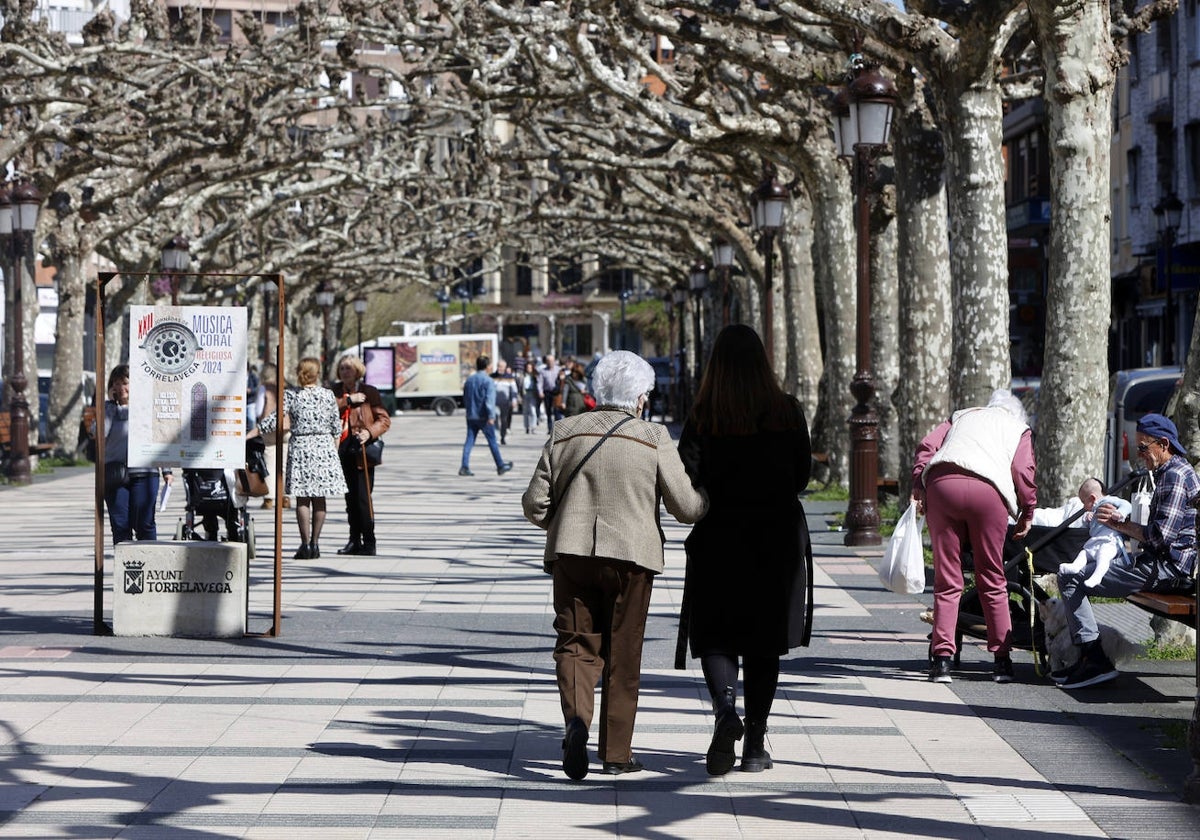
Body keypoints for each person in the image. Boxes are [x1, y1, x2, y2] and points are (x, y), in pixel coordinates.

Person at [522, 350, 708, 780]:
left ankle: (576, 723)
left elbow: (534, 503)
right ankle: (617, 753)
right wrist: (709, 499)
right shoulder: (654, 437)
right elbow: (686, 507)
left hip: (572, 554)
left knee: (574, 644)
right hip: (632, 558)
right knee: (624, 653)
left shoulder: (564, 431)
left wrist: (561, 521)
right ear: (641, 397)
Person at [677, 325, 813, 776]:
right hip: (775, 539)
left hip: (720, 535)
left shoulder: (703, 416)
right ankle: (755, 744)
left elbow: (687, 476)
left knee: (716, 632)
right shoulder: (787, 412)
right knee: (764, 642)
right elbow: (801, 477)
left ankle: (724, 710)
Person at [1057, 413, 1200, 689]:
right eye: (1138, 448)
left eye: (1143, 448)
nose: (1139, 455)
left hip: (1167, 569)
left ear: (1164, 444)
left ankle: (1093, 657)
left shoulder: (1174, 476)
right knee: (1078, 572)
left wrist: (1119, 524)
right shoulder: (1175, 471)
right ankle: (1089, 656)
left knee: (1070, 578)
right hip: (1166, 564)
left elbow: (1159, 538)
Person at [911, 389, 1037, 685]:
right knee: (992, 576)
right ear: (1016, 413)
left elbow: (927, 446)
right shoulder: (1019, 428)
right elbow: (1023, 470)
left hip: (942, 485)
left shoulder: (961, 416)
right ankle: (1002, 662)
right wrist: (1027, 511)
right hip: (988, 492)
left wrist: (919, 481)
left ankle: (941, 661)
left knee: (947, 579)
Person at [254, 357, 347, 559]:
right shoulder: (327, 395)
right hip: (324, 448)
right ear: (318, 373)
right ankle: (315, 543)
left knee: (303, 498)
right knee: (320, 498)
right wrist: (334, 451)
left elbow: (272, 421)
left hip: (302, 447)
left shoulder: (292, 395)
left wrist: (251, 433)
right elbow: (335, 425)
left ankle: (305, 545)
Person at [98, 365, 173, 543]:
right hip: (115, 474)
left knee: (144, 524)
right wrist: (111, 407)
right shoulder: (108, 409)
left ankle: (148, 563)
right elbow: (100, 434)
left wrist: (167, 470)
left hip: (145, 472)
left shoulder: (148, 407)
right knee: (120, 524)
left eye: (125, 382)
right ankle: (126, 567)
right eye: (116, 383)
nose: (120, 387)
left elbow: (160, 437)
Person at [332, 354, 391, 556]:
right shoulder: (335, 392)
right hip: (342, 448)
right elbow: (327, 411)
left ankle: (370, 540)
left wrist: (369, 432)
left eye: (348, 368)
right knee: (349, 498)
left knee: (363, 498)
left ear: (357, 370)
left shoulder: (369, 392)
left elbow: (383, 420)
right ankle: (354, 540)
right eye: (342, 368)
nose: (344, 372)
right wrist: (348, 401)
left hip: (363, 450)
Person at [1058, 478, 1132, 589]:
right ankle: (1075, 566)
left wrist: (1120, 513)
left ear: (1092, 499)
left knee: (1103, 556)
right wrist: (1088, 518)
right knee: (1084, 553)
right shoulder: (1093, 510)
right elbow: (1093, 525)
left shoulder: (1110, 500)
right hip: (1095, 541)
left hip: (1110, 541)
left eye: (1084, 502)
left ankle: (1098, 576)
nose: (1084, 507)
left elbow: (1127, 505)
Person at [459, 355, 513, 477]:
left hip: (471, 415)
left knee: (469, 441)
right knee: (492, 441)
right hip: (483, 416)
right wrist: (491, 416)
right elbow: (489, 400)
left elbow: (465, 398)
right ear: (487, 367)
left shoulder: (469, 380)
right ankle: (500, 466)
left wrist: (469, 411)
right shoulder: (488, 381)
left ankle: (464, 466)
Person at [492, 359, 518, 444]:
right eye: (499, 366)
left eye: (502, 366)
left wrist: (514, 400)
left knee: (504, 420)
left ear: (505, 367)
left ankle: (503, 436)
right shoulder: (492, 376)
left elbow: (514, 390)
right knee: (495, 418)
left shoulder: (510, 377)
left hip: (505, 403)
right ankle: (496, 437)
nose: (500, 368)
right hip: (494, 403)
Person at [537, 354, 561, 433]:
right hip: (547, 392)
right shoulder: (543, 371)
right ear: (546, 362)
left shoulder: (558, 369)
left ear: (554, 361)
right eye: (548, 361)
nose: (550, 362)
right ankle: (550, 428)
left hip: (556, 393)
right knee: (548, 411)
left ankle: (557, 429)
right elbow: (540, 383)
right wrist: (540, 392)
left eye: (551, 361)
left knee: (556, 410)